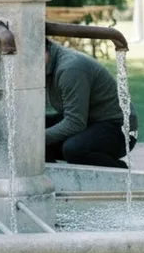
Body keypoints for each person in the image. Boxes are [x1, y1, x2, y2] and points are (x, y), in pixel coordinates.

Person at [44, 39, 137, 168]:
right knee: (30, 128)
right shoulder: (45, 65)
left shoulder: (71, 69)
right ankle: (50, 178)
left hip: (118, 128)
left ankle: (120, 173)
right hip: (88, 120)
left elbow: (75, 122)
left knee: (74, 149)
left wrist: (37, 139)